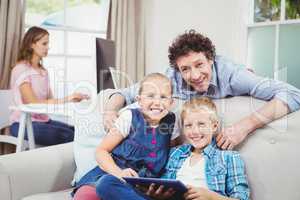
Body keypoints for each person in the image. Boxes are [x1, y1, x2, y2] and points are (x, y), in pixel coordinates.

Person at [103, 29, 300, 150]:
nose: (195, 75)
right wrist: (110, 110)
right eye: (186, 69)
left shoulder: (233, 74)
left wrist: (244, 126)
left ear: (211, 59)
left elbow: (293, 93)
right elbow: (125, 92)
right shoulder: (171, 76)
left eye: (199, 65)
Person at [73, 73, 177, 200]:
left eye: (163, 97)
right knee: (100, 187)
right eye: (150, 96)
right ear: (139, 100)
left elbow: (172, 147)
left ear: (171, 102)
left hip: (143, 186)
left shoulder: (171, 122)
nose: (157, 102)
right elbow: (101, 151)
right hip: (112, 174)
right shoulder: (129, 117)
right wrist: (119, 173)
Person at [10, 26, 89, 146]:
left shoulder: (43, 71)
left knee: (79, 132)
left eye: (48, 43)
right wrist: (68, 98)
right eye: (44, 43)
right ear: (32, 44)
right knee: (69, 136)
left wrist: (72, 99)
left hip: (42, 121)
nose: (48, 47)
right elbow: (33, 103)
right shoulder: (21, 69)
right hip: (23, 124)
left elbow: (49, 101)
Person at [159, 97, 250, 200]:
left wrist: (211, 197)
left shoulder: (229, 158)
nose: (195, 131)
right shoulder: (174, 153)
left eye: (201, 124)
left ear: (214, 126)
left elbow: (242, 198)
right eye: (188, 125)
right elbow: (162, 186)